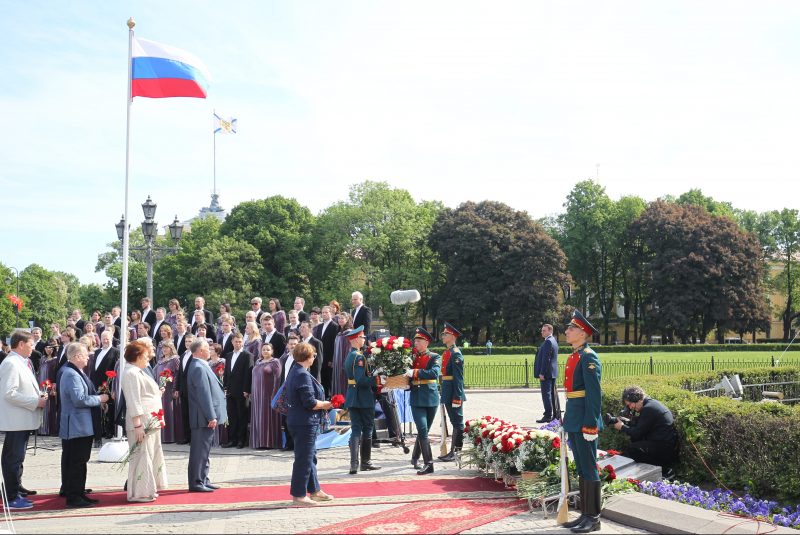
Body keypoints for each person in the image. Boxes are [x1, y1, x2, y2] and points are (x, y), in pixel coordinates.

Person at [561, 310, 603, 534]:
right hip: (574, 418)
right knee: (582, 468)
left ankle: (594, 517)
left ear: (583, 333)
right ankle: (585, 514)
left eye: (571, 328)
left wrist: (591, 423)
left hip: (585, 421)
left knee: (589, 468)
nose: (567, 331)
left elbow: (594, 394)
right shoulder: (575, 355)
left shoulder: (589, 357)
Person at [58, 342, 109, 508]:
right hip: (77, 425)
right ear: (77, 356)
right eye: (86, 354)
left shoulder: (74, 371)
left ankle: (79, 492)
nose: (88, 357)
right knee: (77, 462)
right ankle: (74, 497)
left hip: (79, 424)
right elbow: (79, 400)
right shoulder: (71, 373)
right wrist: (100, 399)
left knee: (80, 461)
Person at [0, 330, 47, 510]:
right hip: (16, 420)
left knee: (17, 457)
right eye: (30, 344)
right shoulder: (11, 363)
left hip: (21, 419)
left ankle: (15, 488)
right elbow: (9, 394)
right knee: (13, 458)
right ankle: (11, 497)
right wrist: (36, 401)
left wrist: (38, 395)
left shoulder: (20, 361)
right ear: (20, 344)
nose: (33, 348)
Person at [285, 342, 334, 505]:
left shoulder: (296, 371)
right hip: (304, 422)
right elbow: (310, 403)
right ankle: (299, 496)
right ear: (308, 357)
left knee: (310, 457)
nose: (314, 357)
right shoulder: (302, 374)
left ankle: (315, 490)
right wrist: (326, 404)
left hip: (298, 420)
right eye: (313, 355)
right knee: (304, 459)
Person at [121, 340, 168, 502]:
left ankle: (148, 488)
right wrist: (138, 425)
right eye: (146, 356)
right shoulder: (131, 373)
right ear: (138, 356)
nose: (148, 359)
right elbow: (133, 401)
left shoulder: (137, 371)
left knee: (150, 455)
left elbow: (145, 394)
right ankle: (140, 492)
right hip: (142, 423)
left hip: (151, 420)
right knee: (142, 456)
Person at [186, 338, 227, 492]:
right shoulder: (198, 367)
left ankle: (203, 478)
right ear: (200, 351)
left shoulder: (202, 365)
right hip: (202, 417)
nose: (210, 351)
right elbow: (203, 394)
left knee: (205, 450)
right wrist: (211, 416)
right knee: (199, 451)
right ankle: (196, 482)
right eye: (207, 348)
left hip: (204, 416)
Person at [610, 385, 678, 475]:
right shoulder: (650, 404)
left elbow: (637, 433)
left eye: (629, 404)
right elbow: (641, 426)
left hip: (664, 449)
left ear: (636, 399)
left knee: (632, 450)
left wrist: (622, 427)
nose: (630, 408)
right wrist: (627, 422)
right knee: (635, 443)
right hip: (665, 445)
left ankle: (665, 470)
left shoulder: (648, 409)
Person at [343, 326, 382, 474]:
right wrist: (376, 379)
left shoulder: (350, 356)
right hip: (363, 398)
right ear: (356, 339)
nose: (364, 339)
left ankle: (354, 464)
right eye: (362, 337)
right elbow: (360, 380)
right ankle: (365, 462)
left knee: (356, 429)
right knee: (367, 429)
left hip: (353, 397)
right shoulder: (359, 357)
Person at [406, 327, 441, 475]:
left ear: (426, 342)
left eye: (419, 341)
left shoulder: (434, 357)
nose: (416, 343)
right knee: (422, 429)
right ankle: (429, 464)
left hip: (431, 398)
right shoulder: (411, 357)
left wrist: (415, 372)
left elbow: (434, 372)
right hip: (416, 398)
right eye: (415, 340)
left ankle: (415, 457)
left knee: (423, 431)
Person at [438, 322, 466, 462]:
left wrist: (457, 397)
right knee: (453, 421)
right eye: (443, 333)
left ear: (453, 337)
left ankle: (456, 453)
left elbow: (458, 379)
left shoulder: (455, 354)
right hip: (448, 392)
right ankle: (453, 452)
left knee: (457, 422)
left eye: (446, 334)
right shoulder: (448, 352)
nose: (443, 336)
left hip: (454, 394)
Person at [222, 333, 253, 449]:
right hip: (230, 390)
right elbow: (226, 373)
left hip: (242, 391)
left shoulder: (247, 355)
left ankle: (241, 440)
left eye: (240, 341)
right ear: (232, 342)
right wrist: (225, 387)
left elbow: (248, 374)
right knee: (231, 416)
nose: (238, 343)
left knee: (242, 416)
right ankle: (232, 440)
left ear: (243, 342)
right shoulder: (229, 355)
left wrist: (246, 390)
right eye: (236, 341)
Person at [250, 343, 283, 449]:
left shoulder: (275, 362)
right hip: (257, 395)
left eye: (268, 350)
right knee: (258, 417)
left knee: (267, 417)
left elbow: (277, 380)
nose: (265, 351)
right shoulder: (258, 362)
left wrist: (275, 395)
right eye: (263, 349)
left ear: (272, 351)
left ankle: (268, 442)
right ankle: (259, 442)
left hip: (268, 395)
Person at [89, 331, 120, 440]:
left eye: (107, 339)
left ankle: (109, 431)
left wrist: (112, 387)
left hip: (108, 384)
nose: (105, 341)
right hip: (95, 383)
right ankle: (99, 430)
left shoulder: (116, 352)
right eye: (103, 338)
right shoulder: (97, 352)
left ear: (111, 339)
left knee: (108, 409)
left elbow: (116, 370)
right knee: (97, 408)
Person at [154, 341, 181, 444]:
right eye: (163, 348)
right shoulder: (160, 361)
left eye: (167, 347)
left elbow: (178, 375)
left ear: (171, 348)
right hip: (160, 390)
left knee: (169, 412)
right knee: (160, 412)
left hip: (169, 390)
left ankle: (170, 437)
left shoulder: (174, 360)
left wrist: (175, 389)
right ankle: (161, 436)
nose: (164, 349)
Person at [534, 323, 560, 423]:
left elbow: (546, 359)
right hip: (552, 372)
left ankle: (548, 415)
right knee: (551, 394)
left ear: (550, 331)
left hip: (547, 373)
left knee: (546, 395)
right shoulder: (553, 340)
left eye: (544, 330)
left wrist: (542, 373)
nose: (542, 332)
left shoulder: (548, 341)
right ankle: (554, 414)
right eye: (542, 330)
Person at [279, 333, 300, 451]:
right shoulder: (285, 358)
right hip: (284, 391)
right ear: (287, 345)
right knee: (285, 419)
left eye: (295, 344)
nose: (292, 346)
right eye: (291, 344)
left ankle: (295, 444)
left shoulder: (300, 358)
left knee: (294, 419)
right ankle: (288, 443)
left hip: (295, 392)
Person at [173, 332, 196, 444]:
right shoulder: (182, 355)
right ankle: (186, 437)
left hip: (192, 389)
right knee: (185, 414)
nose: (187, 343)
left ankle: (193, 438)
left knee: (192, 414)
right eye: (186, 341)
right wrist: (177, 388)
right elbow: (179, 374)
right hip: (183, 389)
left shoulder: (196, 355)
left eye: (190, 341)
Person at [38, 339, 60, 436]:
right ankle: (41, 429)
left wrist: (54, 385)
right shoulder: (42, 358)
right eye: (46, 347)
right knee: (41, 406)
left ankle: (49, 430)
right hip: (41, 385)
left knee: (50, 408)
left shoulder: (56, 360)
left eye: (50, 347)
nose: (48, 349)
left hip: (50, 386)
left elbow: (56, 374)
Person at [315, 306, 339, 397]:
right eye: (323, 312)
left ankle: (328, 398)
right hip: (319, 357)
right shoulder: (319, 326)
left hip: (328, 358)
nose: (324, 314)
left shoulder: (335, 326)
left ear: (331, 313)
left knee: (328, 379)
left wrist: (331, 359)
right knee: (320, 378)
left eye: (326, 312)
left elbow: (334, 344)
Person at [331, 312, 353, 397]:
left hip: (344, 362)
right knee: (337, 381)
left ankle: (344, 404)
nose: (340, 320)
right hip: (337, 363)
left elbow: (349, 350)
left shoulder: (349, 333)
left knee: (343, 381)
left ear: (347, 320)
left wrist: (346, 363)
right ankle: (338, 401)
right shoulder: (339, 333)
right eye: (339, 318)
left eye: (342, 318)